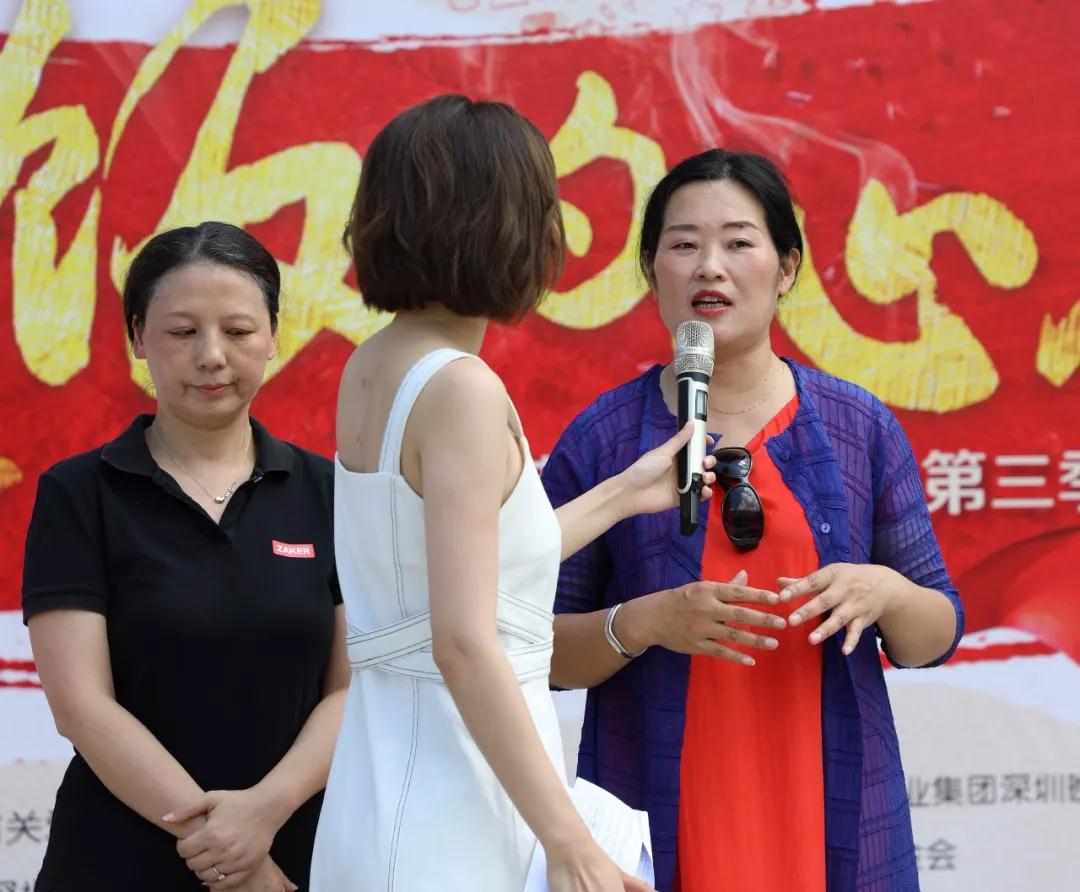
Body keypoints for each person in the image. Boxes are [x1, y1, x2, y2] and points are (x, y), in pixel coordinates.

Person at [309, 94, 712, 892]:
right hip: (455, 802)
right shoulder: (461, 389)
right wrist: (568, 841)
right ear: (504, 224)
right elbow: (463, 640)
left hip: (388, 787)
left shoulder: (375, 363)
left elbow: (463, 570)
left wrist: (625, 492)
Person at [542, 149, 965, 892]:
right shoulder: (603, 439)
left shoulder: (858, 426)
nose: (710, 267)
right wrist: (643, 622)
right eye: (683, 245)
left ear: (787, 268)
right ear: (651, 272)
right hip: (659, 812)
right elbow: (530, 648)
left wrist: (888, 594)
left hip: (827, 813)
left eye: (738, 242)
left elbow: (935, 634)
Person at [22, 222, 350, 892]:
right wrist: (224, 848)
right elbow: (81, 705)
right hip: (120, 861)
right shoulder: (80, 493)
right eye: (182, 331)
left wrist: (264, 813)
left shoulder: (331, 492)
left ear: (273, 335)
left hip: (297, 853)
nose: (211, 356)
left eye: (238, 330)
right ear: (138, 337)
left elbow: (352, 688)